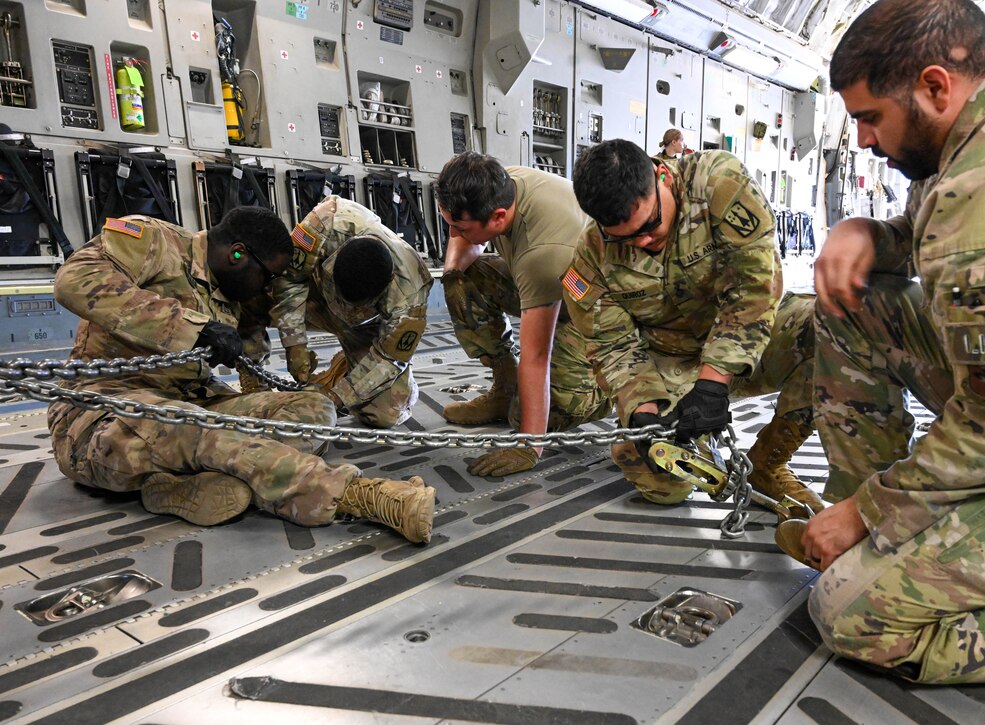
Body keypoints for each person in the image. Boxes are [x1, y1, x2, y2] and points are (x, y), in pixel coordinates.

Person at [783, 0, 985, 684]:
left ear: (934, 87)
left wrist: (872, 512)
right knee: (851, 300)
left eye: (869, 118)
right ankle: (884, 530)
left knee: (851, 613)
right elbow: (923, 225)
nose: (861, 140)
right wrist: (867, 233)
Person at [47, 208, 435, 542]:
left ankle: (179, 485)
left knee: (314, 409)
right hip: (99, 413)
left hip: (191, 399)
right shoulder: (155, 241)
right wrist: (188, 327)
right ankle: (362, 495)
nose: (270, 289)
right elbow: (74, 280)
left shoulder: (229, 289)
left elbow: (252, 343)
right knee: (205, 430)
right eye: (268, 278)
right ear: (237, 254)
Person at [567, 138, 821, 513]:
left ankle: (768, 464)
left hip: (754, 337)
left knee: (833, 329)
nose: (645, 241)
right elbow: (611, 345)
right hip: (672, 364)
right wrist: (643, 412)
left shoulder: (718, 184)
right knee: (665, 483)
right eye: (626, 238)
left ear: (662, 177)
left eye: (650, 224)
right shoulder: (591, 254)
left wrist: (713, 383)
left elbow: (754, 289)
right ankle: (662, 441)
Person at [434, 153, 613, 477]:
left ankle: (605, 391)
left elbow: (536, 355)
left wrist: (529, 446)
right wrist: (451, 274)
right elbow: (464, 238)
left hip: (599, 314)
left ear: (498, 217)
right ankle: (504, 388)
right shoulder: (500, 182)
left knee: (549, 411)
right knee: (462, 278)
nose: (455, 233)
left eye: (460, 227)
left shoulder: (540, 254)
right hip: (555, 285)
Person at [240, 195, 432, 428]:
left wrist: (337, 397)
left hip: (366, 329)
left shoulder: (411, 295)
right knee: (247, 286)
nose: (346, 308)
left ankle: (345, 367)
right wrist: (295, 345)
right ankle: (254, 382)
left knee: (386, 412)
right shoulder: (325, 222)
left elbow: (389, 359)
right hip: (317, 300)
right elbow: (290, 279)